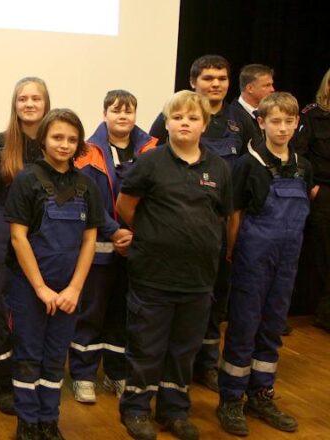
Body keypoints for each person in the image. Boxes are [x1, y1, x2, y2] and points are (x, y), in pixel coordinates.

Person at [117, 91, 233, 440]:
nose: (185, 123)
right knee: (146, 347)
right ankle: (136, 410)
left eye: (192, 118)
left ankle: (174, 410)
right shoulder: (150, 163)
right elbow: (126, 207)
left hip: (198, 280)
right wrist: (154, 235)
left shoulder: (219, 168)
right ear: (166, 123)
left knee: (184, 351)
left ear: (204, 125)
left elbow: (221, 216)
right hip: (153, 274)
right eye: (177, 117)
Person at [150, 55, 256, 393]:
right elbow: (149, 155)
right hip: (174, 229)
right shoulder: (174, 112)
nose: (216, 84)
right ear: (194, 81)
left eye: (222, 78)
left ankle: (207, 364)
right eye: (208, 78)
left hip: (219, 228)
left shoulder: (241, 120)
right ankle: (168, 365)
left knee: (215, 300)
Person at [217, 92, 315, 437]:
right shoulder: (249, 163)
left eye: (290, 121)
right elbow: (235, 212)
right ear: (261, 122)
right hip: (252, 257)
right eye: (276, 121)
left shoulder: (303, 166)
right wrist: (231, 250)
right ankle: (230, 398)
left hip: (287, 259)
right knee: (244, 325)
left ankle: (260, 393)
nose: (283, 128)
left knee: (272, 327)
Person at [5, 108, 103, 440]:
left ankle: (49, 420)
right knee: (29, 357)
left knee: (54, 357)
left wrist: (74, 289)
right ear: (44, 138)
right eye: (58, 137)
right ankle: (27, 422)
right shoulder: (27, 180)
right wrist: (41, 289)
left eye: (72, 139)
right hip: (30, 289)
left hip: (68, 292)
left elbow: (90, 240)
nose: (64, 145)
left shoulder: (87, 185)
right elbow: (18, 237)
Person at [69, 90, 156, 403]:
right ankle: (83, 375)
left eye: (129, 111)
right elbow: (84, 196)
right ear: (104, 113)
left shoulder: (152, 150)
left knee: (124, 315)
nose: (123, 116)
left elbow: (157, 198)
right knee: (90, 314)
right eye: (116, 110)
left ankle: (116, 373)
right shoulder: (85, 151)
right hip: (98, 247)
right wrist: (114, 230)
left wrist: (134, 233)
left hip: (135, 247)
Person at [0, 77, 50, 415]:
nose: (29, 104)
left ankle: (32, 375)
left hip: (45, 233)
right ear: (15, 104)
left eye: (36, 98)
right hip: (2, 229)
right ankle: (2, 382)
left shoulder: (57, 142)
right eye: (23, 98)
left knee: (35, 305)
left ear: (46, 103)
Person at [293, 66, 330, 331]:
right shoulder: (312, 115)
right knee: (324, 256)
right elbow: (299, 153)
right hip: (324, 193)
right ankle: (325, 314)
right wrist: (311, 185)